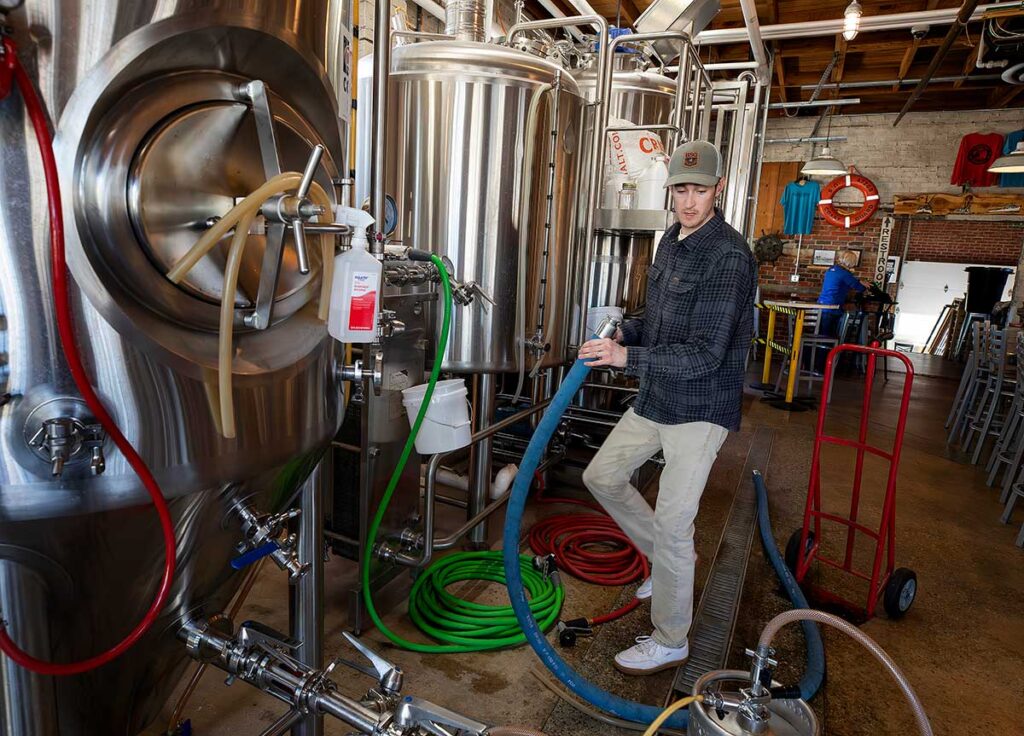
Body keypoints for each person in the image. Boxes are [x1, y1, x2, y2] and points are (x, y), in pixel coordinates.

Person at [576, 140, 758, 675]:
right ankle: (665, 563)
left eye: (699, 190)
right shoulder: (671, 241)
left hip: (701, 406)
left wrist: (626, 355)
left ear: (718, 190)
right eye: (680, 189)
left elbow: (705, 353)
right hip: (660, 394)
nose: (688, 201)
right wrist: (622, 328)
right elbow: (657, 318)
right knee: (602, 476)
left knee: (677, 522)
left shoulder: (728, 256)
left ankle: (671, 636)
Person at [817, 249, 865, 339]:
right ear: (851, 262)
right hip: (832, 308)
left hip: (821, 306)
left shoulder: (831, 270)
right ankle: (828, 353)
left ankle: (820, 352)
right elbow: (860, 287)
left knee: (821, 335)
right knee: (829, 338)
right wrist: (863, 283)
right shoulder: (845, 274)